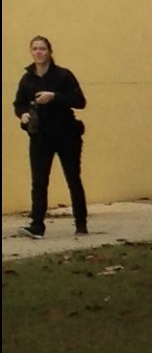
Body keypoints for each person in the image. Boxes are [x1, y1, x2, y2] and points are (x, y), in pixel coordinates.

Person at [16, 36, 87, 238]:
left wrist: (54, 96)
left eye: (42, 48)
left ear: (49, 51)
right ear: (31, 52)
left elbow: (80, 101)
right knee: (39, 181)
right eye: (35, 49)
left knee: (72, 177)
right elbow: (19, 103)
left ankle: (81, 223)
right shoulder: (27, 79)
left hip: (66, 134)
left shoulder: (63, 75)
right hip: (40, 136)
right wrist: (23, 114)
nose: (39, 52)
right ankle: (37, 225)